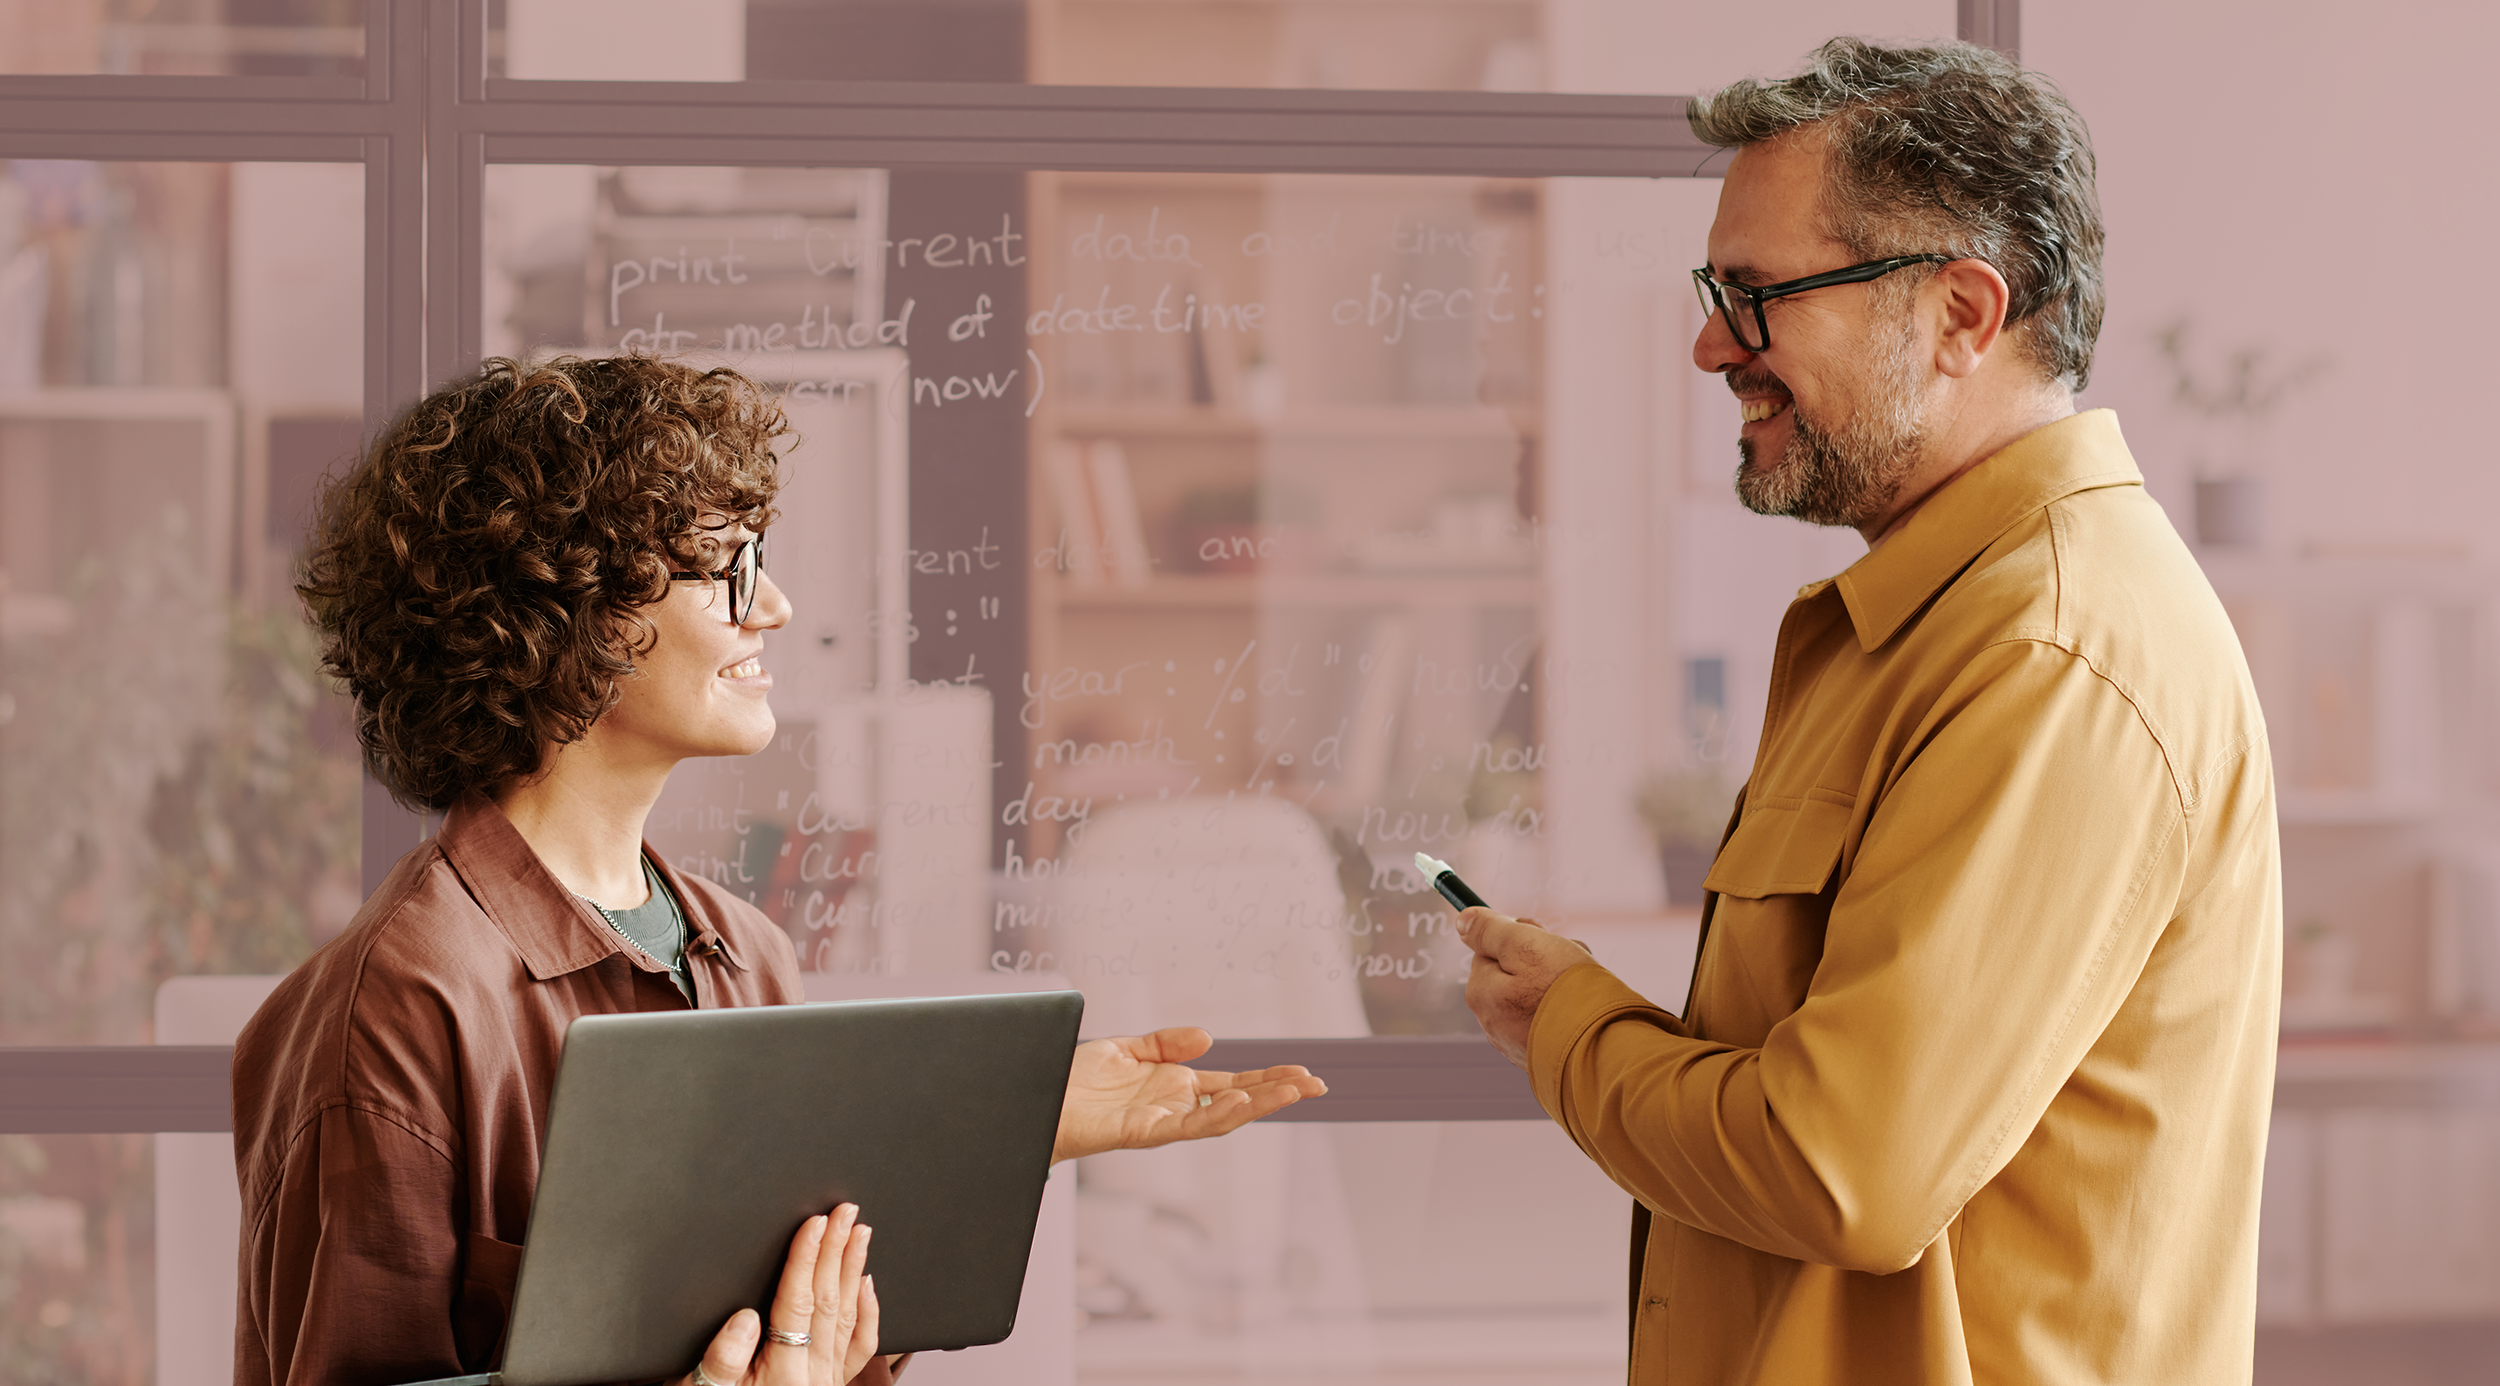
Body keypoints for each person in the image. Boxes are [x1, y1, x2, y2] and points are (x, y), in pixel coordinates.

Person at [231, 354, 1328, 1386]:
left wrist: (999, 1135)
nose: (776, 608)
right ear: (568, 613)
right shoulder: (396, 1008)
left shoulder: (742, 953)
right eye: (727, 569)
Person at [1457, 39, 2278, 1386]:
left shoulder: (2048, 654)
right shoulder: (1922, 629)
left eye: (1761, 293)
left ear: (1962, 314)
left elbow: (1843, 1168)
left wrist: (1576, 1032)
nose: (1714, 342)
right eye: (1716, 290)